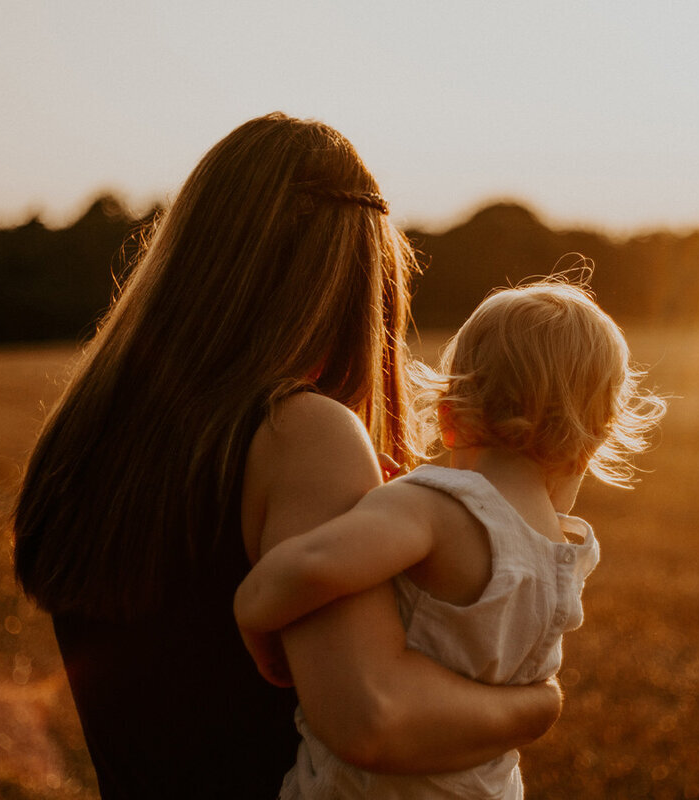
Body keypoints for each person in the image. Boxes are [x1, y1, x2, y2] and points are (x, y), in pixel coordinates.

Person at [12, 113, 563, 799]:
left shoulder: (90, 434)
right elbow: (373, 719)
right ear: (357, 285)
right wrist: (535, 706)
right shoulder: (300, 434)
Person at [235, 278, 667, 798]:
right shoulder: (566, 555)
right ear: (590, 444)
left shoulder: (432, 509)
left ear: (449, 416)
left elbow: (314, 564)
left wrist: (252, 610)